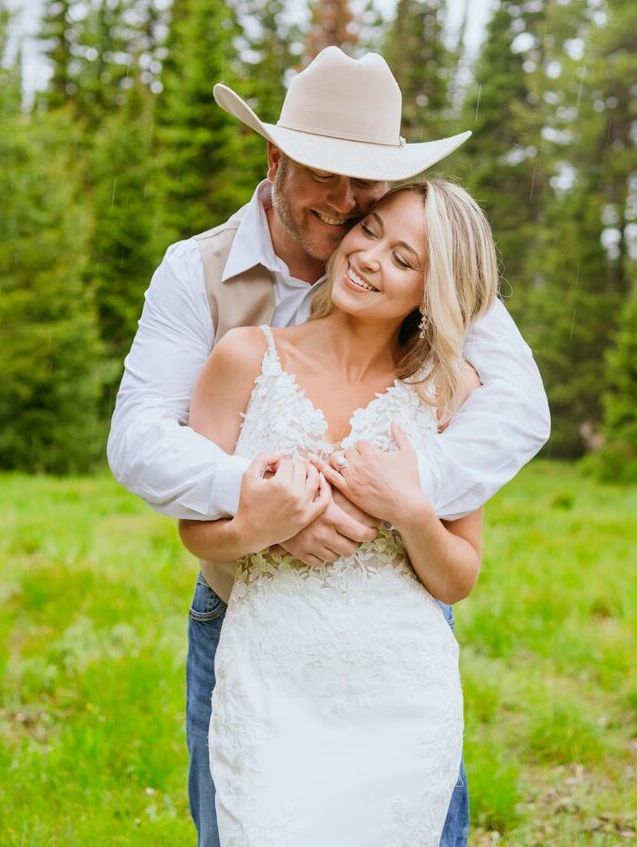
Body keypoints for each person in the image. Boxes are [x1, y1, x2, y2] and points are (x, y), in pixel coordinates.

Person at [107, 46, 550, 847]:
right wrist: (269, 500)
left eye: (365, 185)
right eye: (325, 175)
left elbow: (518, 411)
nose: (347, 207)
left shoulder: (429, 269)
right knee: (239, 818)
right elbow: (139, 440)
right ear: (276, 158)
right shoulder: (198, 278)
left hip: (396, 638)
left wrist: (400, 501)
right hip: (249, 611)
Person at [179, 176, 495, 844]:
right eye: (369, 232)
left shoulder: (450, 391)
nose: (369, 258)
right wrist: (259, 527)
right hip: (270, 681)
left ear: (430, 290)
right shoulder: (244, 358)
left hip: (401, 691)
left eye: (403, 259)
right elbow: (195, 529)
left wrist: (409, 511)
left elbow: (457, 577)